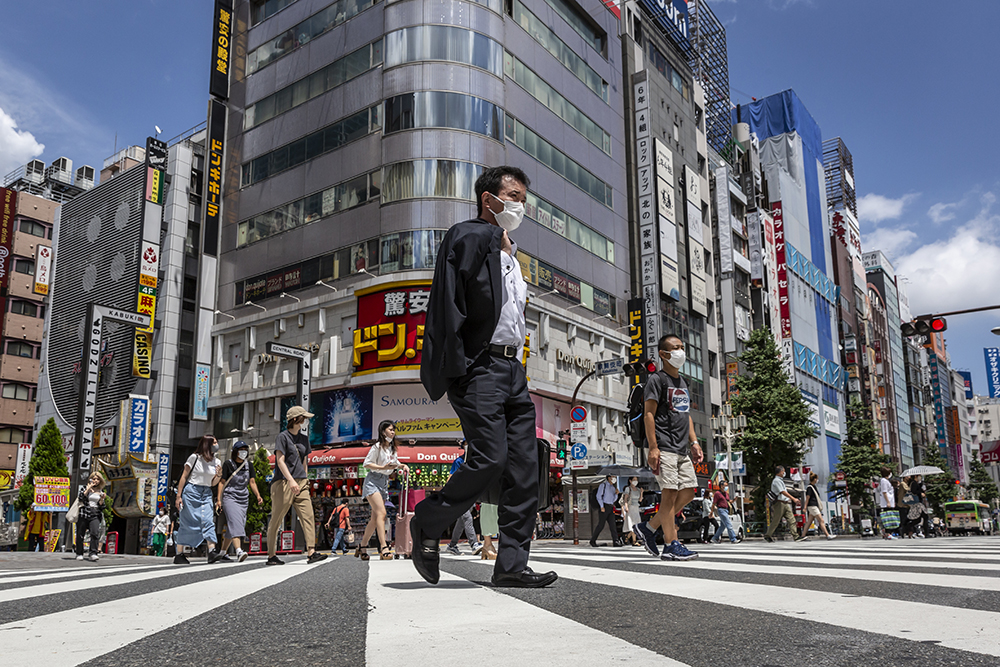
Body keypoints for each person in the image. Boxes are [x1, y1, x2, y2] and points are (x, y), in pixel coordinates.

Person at [413, 166, 557, 589]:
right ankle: (430, 516)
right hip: (480, 367)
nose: (520, 205)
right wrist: (459, 367)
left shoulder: (510, 253)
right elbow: (452, 299)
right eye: (512, 195)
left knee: (525, 469)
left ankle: (511, 564)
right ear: (488, 199)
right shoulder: (470, 236)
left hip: (514, 370)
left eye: (524, 198)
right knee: (490, 457)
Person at [634, 334, 704, 561]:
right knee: (670, 495)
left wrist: (694, 442)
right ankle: (670, 544)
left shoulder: (682, 382)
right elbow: (648, 415)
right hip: (664, 446)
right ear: (664, 354)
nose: (681, 352)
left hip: (682, 448)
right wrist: (653, 448)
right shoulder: (657, 379)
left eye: (682, 347)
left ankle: (649, 527)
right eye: (676, 348)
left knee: (688, 492)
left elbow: (687, 415)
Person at [268, 406, 327, 565]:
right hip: (283, 482)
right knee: (277, 518)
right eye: (303, 418)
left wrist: (304, 478)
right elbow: (280, 461)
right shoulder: (282, 437)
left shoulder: (304, 438)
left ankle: (311, 552)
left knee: (308, 515)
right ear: (295, 420)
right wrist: (291, 480)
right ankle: (271, 555)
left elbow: (304, 461)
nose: (306, 421)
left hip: (301, 481)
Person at [358, 420, 409, 561]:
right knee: (382, 513)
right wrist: (383, 468)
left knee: (374, 519)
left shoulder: (392, 448)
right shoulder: (377, 447)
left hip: (384, 483)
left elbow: (395, 462)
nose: (393, 432)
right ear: (383, 432)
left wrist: (402, 465)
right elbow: (366, 464)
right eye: (390, 429)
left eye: (394, 430)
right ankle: (383, 547)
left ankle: (362, 546)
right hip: (373, 481)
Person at [174, 435, 223, 564]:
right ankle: (179, 554)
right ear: (206, 445)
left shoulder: (217, 462)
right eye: (214, 443)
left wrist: (219, 475)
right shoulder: (194, 458)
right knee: (187, 522)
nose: (216, 445)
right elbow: (184, 477)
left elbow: (213, 483)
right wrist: (178, 496)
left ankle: (212, 551)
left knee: (208, 520)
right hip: (191, 491)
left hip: (206, 492)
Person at [216, 441, 263, 562]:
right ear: (235, 451)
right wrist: (219, 500)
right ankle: (238, 551)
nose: (243, 452)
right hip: (230, 497)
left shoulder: (249, 465)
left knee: (236, 524)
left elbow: (252, 482)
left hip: (243, 499)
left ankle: (222, 552)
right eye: (240, 449)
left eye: (245, 449)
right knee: (235, 522)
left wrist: (258, 495)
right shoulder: (228, 464)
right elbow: (221, 482)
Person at [446, 444, 483, 555]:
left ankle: (452, 545)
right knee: (467, 518)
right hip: (459, 494)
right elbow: (450, 477)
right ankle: (474, 544)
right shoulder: (459, 461)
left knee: (461, 522)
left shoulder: (476, 461)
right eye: (466, 443)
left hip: (469, 495)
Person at [764, 466, 804, 542]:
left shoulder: (780, 480)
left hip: (785, 503)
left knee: (791, 519)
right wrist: (793, 498)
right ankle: (768, 535)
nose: (784, 473)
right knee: (776, 520)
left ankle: (796, 536)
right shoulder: (776, 481)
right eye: (783, 471)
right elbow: (782, 491)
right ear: (780, 472)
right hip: (779, 503)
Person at [75, 473, 106, 561]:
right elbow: (81, 498)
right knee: (80, 534)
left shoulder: (100, 490)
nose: (95, 481)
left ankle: (93, 553)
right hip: (84, 513)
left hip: (95, 513)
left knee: (94, 533)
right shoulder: (85, 488)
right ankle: (79, 553)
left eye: (97, 479)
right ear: (90, 479)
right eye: (94, 478)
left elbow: (102, 506)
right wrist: (88, 488)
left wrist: (102, 499)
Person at [800, 473, 835, 540]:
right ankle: (827, 535)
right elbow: (807, 497)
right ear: (814, 479)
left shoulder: (813, 487)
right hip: (812, 506)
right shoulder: (810, 487)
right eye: (817, 479)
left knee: (809, 522)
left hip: (813, 506)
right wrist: (805, 507)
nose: (817, 480)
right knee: (821, 520)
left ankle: (803, 536)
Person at [590, 476, 622, 547]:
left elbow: (613, 500)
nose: (614, 478)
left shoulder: (613, 488)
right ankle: (593, 540)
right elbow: (599, 496)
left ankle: (615, 541)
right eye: (613, 477)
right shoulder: (603, 485)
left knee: (613, 525)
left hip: (610, 506)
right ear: (609, 478)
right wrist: (602, 506)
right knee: (601, 525)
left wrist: (616, 494)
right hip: (604, 506)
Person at [711, 479, 740, 543]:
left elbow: (729, 502)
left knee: (722, 526)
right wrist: (711, 512)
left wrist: (734, 500)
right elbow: (714, 503)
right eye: (725, 485)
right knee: (729, 524)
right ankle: (733, 539)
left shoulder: (726, 494)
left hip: (726, 510)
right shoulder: (717, 493)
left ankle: (715, 538)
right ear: (721, 486)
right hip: (721, 510)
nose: (727, 487)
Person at [619, 476, 643, 546]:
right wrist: (626, 507)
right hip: (630, 508)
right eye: (634, 479)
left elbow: (640, 500)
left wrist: (641, 493)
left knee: (636, 525)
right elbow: (625, 499)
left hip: (636, 508)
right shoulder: (628, 489)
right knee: (632, 525)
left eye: (636, 479)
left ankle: (626, 537)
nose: (635, 481)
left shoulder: (638, 489)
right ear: (630, 481)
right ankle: (634, 541)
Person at [877, 466, 898, 540]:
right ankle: (888, 533)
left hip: (889, 502)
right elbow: (884, 492)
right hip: (886, 503)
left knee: (889, 518)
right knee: (888, 518)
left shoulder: (885, 481)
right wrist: (888, 502)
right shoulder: (884, 481)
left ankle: (887, 533)